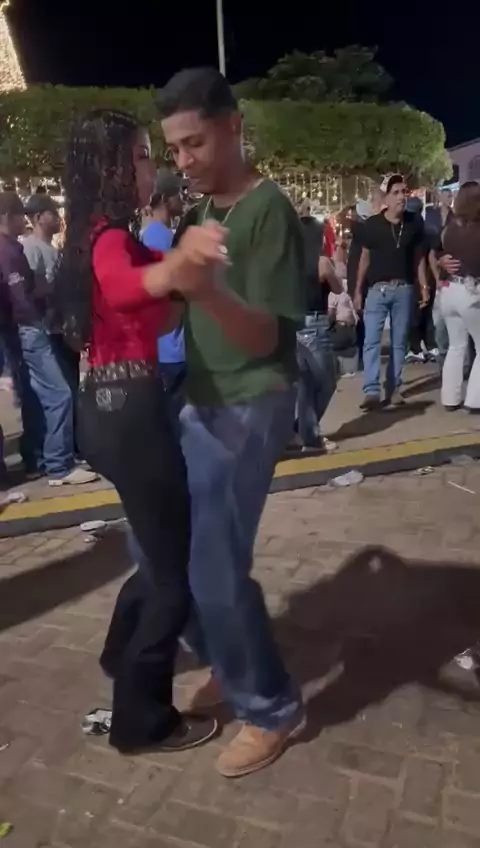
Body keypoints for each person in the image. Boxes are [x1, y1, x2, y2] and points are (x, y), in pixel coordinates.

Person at [54, 108, 225, 753]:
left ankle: (119, 652)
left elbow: (155, 313)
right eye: (143, 154)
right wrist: (175, 270)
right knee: (175, 575)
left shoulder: (98, 234)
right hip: (131, 413)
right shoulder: (106, 240)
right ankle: (141, 718)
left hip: (109, 409)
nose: (153, 167)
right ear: (114, 166)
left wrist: (183, 274)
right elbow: (127, 288)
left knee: (158, 555)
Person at [157, 67, 306, 777]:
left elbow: (264, 336)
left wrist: (206, 287)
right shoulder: (194, 217)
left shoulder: (269, 211)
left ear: (234, 127)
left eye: (194, 142)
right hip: (199, 397)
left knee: (215, 565)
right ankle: (226, 652)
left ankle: (271, 707)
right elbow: (172, 315)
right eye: (174, 148)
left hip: (252, 399)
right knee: (157, 548)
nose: (184, 160)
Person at [0, 192, 94, 485]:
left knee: (40, 396)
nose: (24, 221)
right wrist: (38, 310)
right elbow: (20, 296)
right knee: (59, 394)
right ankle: (58, 464)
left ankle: (44, 460)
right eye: (21, 215)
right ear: (10, 217)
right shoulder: (12, 250)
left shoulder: (15, 247)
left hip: (29, 329)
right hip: (32, 328)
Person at [354, 174, 429, 410]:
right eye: (396, 193)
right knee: (371, 341)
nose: (401, 197)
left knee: (399, 342)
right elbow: (364, 259)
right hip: (378, 290)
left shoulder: (414, 222)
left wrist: (423, 286)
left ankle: (394, 387)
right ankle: (371, 391)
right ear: (386, 198)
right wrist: (358, 291)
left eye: (404, 192)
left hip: (404, 290)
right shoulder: (372, 225)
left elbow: (419, 258)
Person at [23, 194, 83, 453]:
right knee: (60, 394)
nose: (58, 217)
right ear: (38, 218)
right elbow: (28, 292)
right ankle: (56, 455)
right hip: (46, 332)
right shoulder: (31, 249)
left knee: (71, 388)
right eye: (52, 213)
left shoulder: (54, 250)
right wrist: (51, 291)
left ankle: (73, 446)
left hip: (63, 331)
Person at [141, 169, 186, 399]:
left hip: (162, 347)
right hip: (171, 349)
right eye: (179, 193)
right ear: (166, 199)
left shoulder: (150, 236)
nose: (183, 199)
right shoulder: (163, 239)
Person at [436, 181, 480, 411]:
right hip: (470, 291)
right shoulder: (477, 230)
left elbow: (439, 251)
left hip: (449, 290)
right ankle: (475, 400)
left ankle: (450, 398)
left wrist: (440, 260)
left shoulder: (451, 228)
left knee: (456, 346)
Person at [296, 253, 343, 449]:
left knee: (305, 383)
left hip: (292, 322)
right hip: (314, 323)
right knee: (326, 380)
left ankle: (301, 432)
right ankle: (307, 434)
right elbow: (338, 289)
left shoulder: (283, 258)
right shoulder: (319, 261)